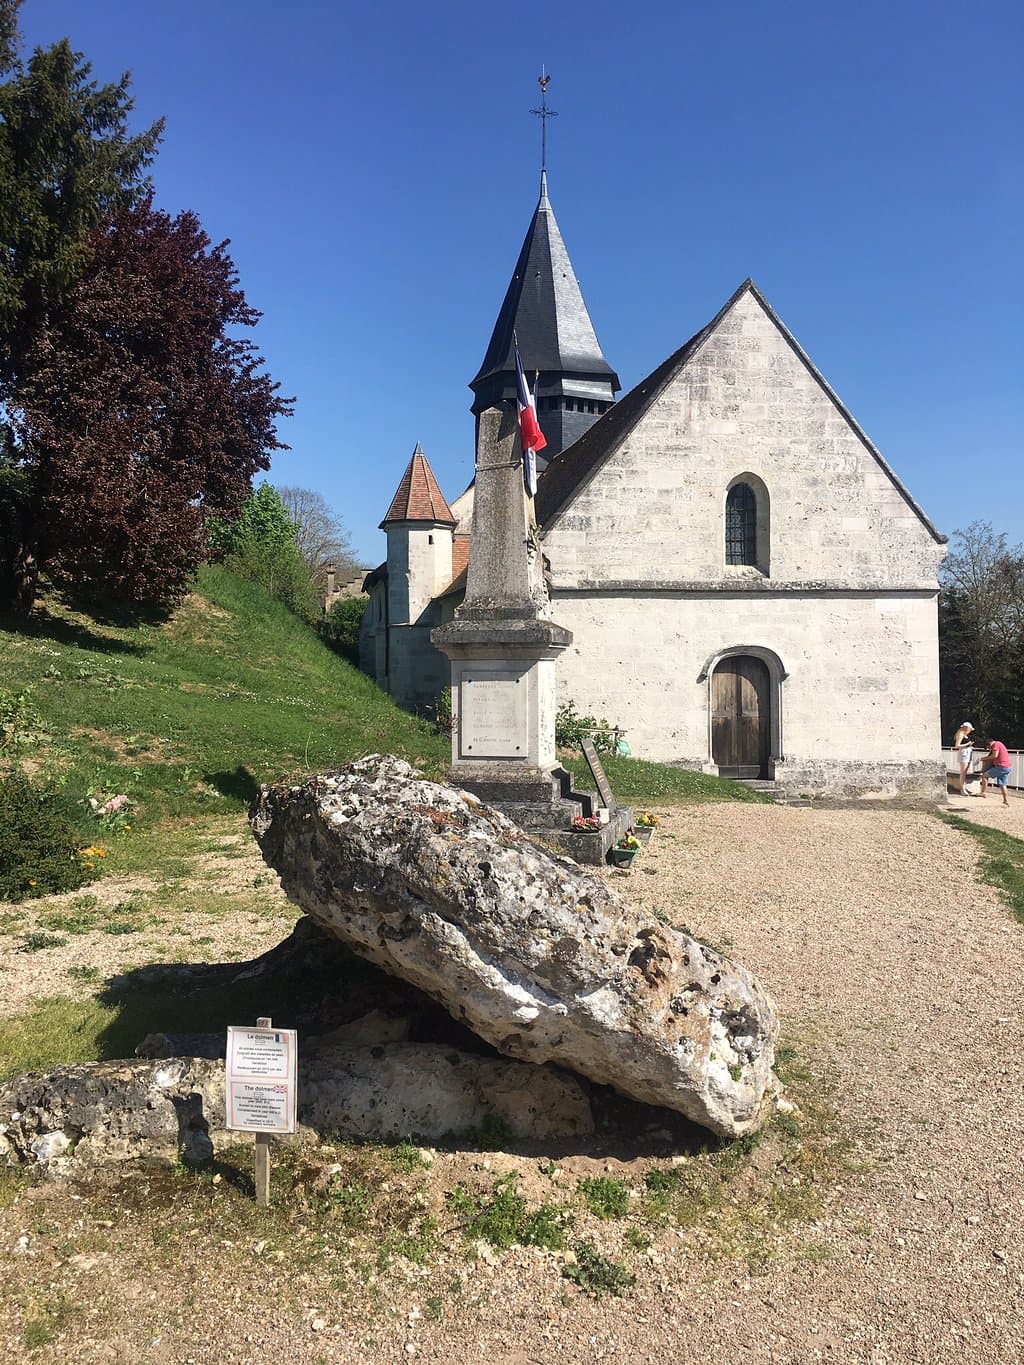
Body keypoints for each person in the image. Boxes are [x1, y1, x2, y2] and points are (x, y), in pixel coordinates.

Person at [979, 737, 1013, 806]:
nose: (989, 749)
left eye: (988, 747)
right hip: (1007, 767)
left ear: (989, 744)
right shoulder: (999, 744)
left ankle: (983, 792)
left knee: (984, 776)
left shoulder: (996, 744)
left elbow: (995, 755)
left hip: (1001, 767)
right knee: (1003, 785)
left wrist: (984, 758)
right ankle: (1005, 801)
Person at [952, 721, 975, 795]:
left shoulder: (965, 735)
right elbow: (957, 745)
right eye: (969, 729)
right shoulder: (960, 734)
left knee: (965, 772)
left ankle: (964, 788)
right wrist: (968, 744)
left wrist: (969, 746)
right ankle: (962, 789)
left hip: (967, 753)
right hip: (963, 754)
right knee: (963, 772)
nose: (970, 731)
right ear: (967, 728)